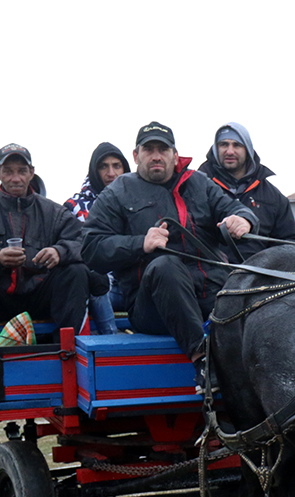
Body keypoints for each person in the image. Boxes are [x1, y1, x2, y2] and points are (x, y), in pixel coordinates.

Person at [81, 122, 258, 388]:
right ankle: (203, 361)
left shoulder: (199, 183)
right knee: (165, 265)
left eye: (163, 149)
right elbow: (91, 249)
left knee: (259, 279)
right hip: (152, 306)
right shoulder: (117, 192)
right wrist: (141, 243)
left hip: (210, 296)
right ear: (136, 155)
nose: (156, 156)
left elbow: (235, 209)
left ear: (174, 155)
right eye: (149, 149)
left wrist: (243, 220)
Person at [0, 144, 91, 347]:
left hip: (43, 299)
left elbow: (88, 244)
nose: (16, 178)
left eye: (22, 171)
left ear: (32, 173)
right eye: (8, 171)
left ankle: (67, 350)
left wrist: (60, 252)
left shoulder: (54, 213)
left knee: (76, 271)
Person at [198, 122, 295, 261]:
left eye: (237, 145)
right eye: (223, 144)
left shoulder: (274, 197)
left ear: (248, 150)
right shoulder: (196, 187)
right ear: (215, 149)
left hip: (258, 278)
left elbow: (291, 245)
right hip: (207, 276)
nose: (230, 151)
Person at [64, 142, 133, 334]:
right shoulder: (74, 207)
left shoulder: (140, 201)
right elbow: (73, 248)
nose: (111, 173)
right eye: (103, 166)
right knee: (95, 279)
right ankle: (110, 345)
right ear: (94, 171)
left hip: (134, 283)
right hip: (101, 288)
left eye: (116, 166)